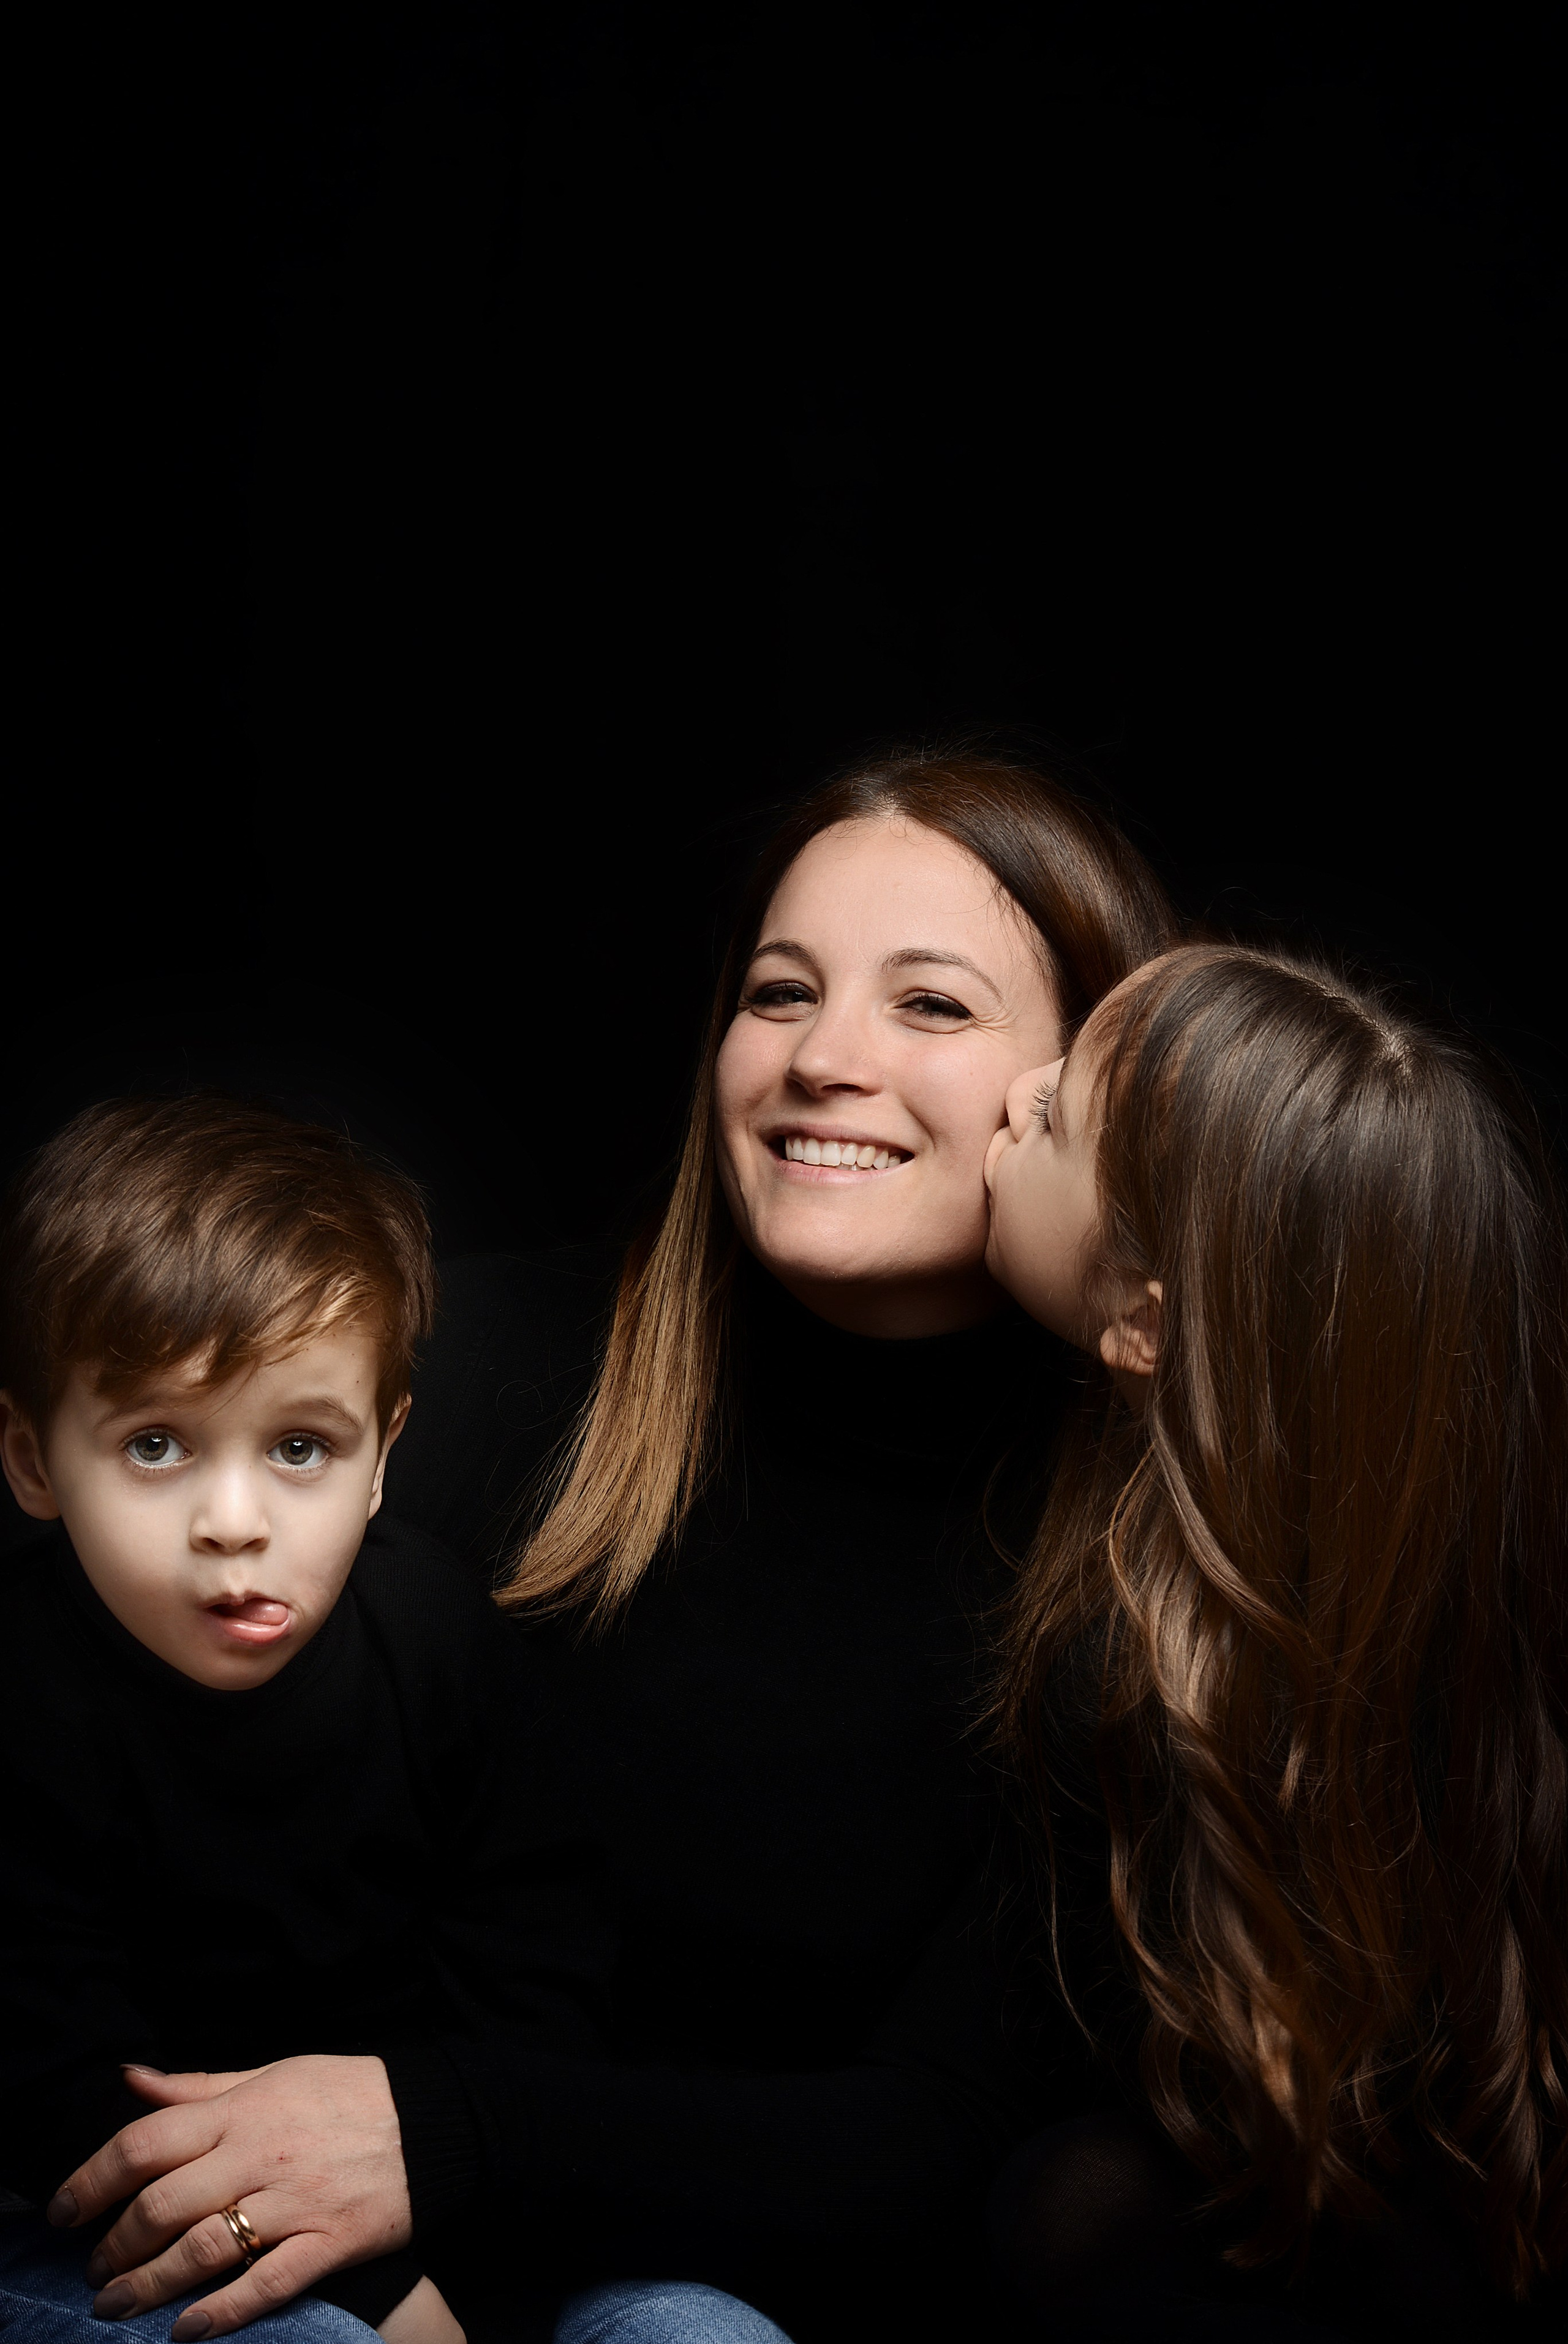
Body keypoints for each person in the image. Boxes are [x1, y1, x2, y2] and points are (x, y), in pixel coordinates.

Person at [39, 750, 1178, 2344]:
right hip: (294, 2252)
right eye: (781, 992)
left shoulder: (1130, 1585)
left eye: (931, 1006)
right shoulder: (448, 1369)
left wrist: (446, 2137)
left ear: (1083, 1094)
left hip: (723, 2286)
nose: (823, 1057)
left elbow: (926, 2139)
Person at [982, 943, 1568, 2338]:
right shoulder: (1425, 1617)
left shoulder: (1122, 1680)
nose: (1012, 1092)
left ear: (1138, 1319)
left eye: (1052, 1113)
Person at [0, 1098, 610, 2344]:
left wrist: (442, 2237)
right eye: (158, 1443)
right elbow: (53, 2080)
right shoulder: (23, 1688)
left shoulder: (436, 1637)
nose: (235, 1520)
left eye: (298, 1447)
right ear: (31, 1460)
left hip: (432, 2200)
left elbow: (535, 1978)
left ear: (381, 1456)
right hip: (98, 2214)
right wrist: (381, 2296)